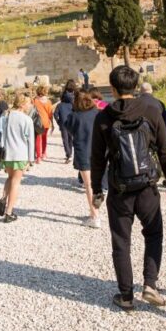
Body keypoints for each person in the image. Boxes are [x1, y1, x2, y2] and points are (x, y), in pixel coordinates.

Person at [91, 65, 166, 311]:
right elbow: (164, 150)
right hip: (147, 187)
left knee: (121, 241)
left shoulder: (104, 117)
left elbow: (97, 158)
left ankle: (126, 295)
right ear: (137, 85)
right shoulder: (151, 109)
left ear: (113, 88)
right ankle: (150, 284)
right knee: (153, 234)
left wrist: (97, 189)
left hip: (119, 189)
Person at [0, 94, 35, 223]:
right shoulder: (27, 120)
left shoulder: (4, 117)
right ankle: (9, 212)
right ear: (22, 104)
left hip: (6, 154)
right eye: (28, 103)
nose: (30, 106)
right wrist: (30, 159)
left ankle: (4, 198)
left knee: (10, 178)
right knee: (16, 182)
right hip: (20, 154)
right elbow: (30, 141)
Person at [65, 89, 101, 228]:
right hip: (98, 151)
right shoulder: (97, 113)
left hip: (83, 152)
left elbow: (69, 129)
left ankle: (95, 215)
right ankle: (96, 210)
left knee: (88, 185)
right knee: (97, 183)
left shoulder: (74, 116)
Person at [54, 80, 76, 163]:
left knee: (65, 140)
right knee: (70, 139)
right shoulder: (72, 105)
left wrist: (58, 122)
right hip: (71, 123)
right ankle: (70, 153)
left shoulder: (59, 105)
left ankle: (68, 154)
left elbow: (55, 115)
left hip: (63, 124)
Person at [32, 85, 54, 163]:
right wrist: (52, 123)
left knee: (38, 139)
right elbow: (50, 113)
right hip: (46, 122)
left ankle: (38, 157)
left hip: (38, 122)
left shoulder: (34, 100)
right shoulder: (48, 102)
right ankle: (44, 153)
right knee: (44, 138)